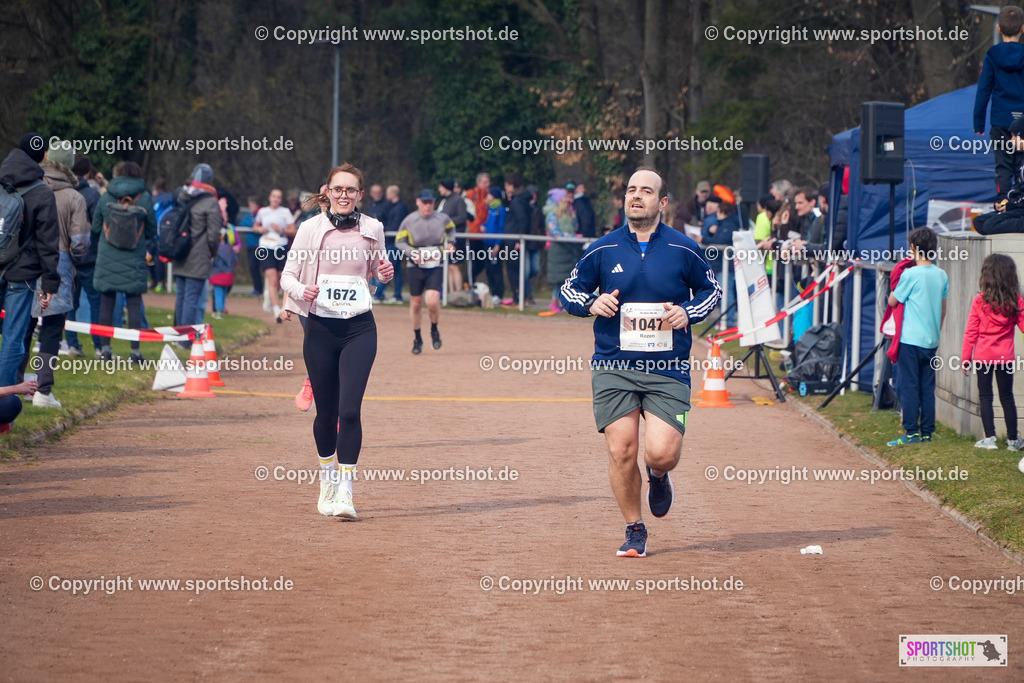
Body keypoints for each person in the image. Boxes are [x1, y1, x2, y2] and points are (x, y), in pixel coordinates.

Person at [559, 167, 722, 557]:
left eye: (646, 191)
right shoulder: (602, 248)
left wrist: (688, 312)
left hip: (668, 367)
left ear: (662, 202)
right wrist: (590, 303)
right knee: (621, 449)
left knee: (661, 452)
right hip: (614, 365)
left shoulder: (685, 249)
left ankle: (659, 475)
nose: (636, 196)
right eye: (631, 189)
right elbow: (568, 290)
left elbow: (712, 291)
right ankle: (634, 528)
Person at [280, 162, 393, 519]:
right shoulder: (310, 228)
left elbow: (378, 271)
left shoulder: (373, 227)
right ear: (327, 192)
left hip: (359, 328)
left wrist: (385, 273)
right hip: (320, 329)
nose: (344, 195)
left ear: (360, 195)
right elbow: (287, 276)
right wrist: (303, 290)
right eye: (338, 189)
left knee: (349, 411)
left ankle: (346, 490)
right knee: (326, 413)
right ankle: (327, 480)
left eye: (351, 190)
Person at [19, 142, 89, 407]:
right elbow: (80, 241)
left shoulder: (29, 187)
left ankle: (16, 384)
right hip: (59, 264)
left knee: (23, 326)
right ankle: (43, 391)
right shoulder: (74, 197)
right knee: (51, 329)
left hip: (26, 262)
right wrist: (76, 259)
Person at [0, 133, 60, 386]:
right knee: (14, 339)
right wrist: (49, 285)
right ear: (42, 157)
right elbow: (48, 243)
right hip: (22, 275)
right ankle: (3, 401)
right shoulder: (42, 193)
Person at [886, 227, 948, 446]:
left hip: (909, 340)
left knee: (909, 386)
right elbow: (943, 308)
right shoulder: (941, 275)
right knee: (927, 388)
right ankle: (927, 433)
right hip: (931, 339)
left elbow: (893, 301)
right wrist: (936, 331)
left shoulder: (909, 274)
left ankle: (911, 432)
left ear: (912, 247)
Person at [90, 161, 157, 363]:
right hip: (134, 257)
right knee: (134, 303)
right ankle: (135, 353)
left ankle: (105, 350)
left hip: (107, 256)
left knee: (106, 303)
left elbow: (94, 227)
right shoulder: (144, 197)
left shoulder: (106, 196)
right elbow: (152, 229)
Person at [960, 254, 1024, 451]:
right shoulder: (1017, 301)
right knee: (1007, 396)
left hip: (982, 357)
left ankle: (989, 438)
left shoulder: (979, 301)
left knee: (985, 396)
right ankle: (1013, 440)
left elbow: (971, 332)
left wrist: (965, 359)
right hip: (1005, 357)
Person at [974, 5, 1024, 201]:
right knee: (1021, 163)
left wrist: (978, 122)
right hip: (1022, 122)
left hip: (1001, 120)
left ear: (998, 29)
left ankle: (1003, 200)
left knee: (1003, 165)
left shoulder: (992, 56)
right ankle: (1020, 201)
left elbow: (983, 90)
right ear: (1022, 29)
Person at [396, 189, 454, 354]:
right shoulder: (409, 221)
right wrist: (412, 252)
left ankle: (434, 330)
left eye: (431, 203)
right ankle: (417, 338)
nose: (428, 206)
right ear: (418, 202)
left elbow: (451, 230)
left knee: (433, 300)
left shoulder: (442, 218)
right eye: (425, 202)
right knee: (416, 303)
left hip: (436, 263)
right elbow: (400, 241)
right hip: (416, 265)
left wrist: (450, 243)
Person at [171, 164, 221, 341]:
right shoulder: (210, 202)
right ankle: (185, 340)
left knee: (182, 297)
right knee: (191, 298)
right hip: (198, 256)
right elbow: (214, 235)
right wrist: (212, 253)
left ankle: (178, 336)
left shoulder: (182, 196)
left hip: (180, 253)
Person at [64, 154, 102, 358]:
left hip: (67, 254)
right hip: (89, 255)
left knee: (70, 302)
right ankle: (99, 346)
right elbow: (97, 227)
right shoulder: (93, 196)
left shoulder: (64, 192)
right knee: (95, 301)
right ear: (88, 172)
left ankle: (72, 344)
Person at [975, 117, 1024, 235]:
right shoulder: (1022, 160)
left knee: (991, 225)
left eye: (1014, 136)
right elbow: (1019, 189)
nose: (1011, 140)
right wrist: (1006, 202)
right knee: (979, 222)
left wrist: (1011, 205)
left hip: (1020, 208)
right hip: (1019, 207)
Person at [253, 188, 295, 321]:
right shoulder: (263, 211)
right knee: (272, 279)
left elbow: (293, 230)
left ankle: (271, 299)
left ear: (280, 199)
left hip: (280, 246)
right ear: (270, 197)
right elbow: (255, 226)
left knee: (280, 279)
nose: (276, 199)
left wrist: (281, 229)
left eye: (278, 197)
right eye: (274, 196)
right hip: (265, 246)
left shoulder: (285, 212)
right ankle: (277, 311)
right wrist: (260, 229)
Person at [543, 188, 580, 314]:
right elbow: (554, 232)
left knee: (566, 279)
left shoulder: (569, 212)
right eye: (564, 197)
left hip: (569, 250)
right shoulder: (552, 214)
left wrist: (573, 216)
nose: (567, 199)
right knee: (560, 279)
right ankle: (555, 301)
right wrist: (568, 237)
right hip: (558, 251)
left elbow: (575, 227)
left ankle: (561, 301)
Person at [503, 173, 532, 305]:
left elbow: (522, 220)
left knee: (514, 270)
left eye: (507, 185)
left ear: (512, 186)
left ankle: (519, 297)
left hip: (514, 241)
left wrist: (517, 240)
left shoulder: (517, 201)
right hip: (514, 239)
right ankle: (520, 296)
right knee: (516, 269)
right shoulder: (520, 199)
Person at [437, 178, 469, 294]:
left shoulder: (458, 200)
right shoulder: (446, 201)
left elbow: (462, 217)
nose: (439, 189)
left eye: (440, 186)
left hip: (457, 239)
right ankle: (451, 294)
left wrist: (446, 221)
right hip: (448, 238)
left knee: (454, 266)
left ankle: (459, 293)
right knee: (449, 266)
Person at [379, 184, 408, 303]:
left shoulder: (400, 208)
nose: (386, 195)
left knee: (389, 267)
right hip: (391, 242)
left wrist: (383, 230)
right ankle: (397, 295)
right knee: (397, 270)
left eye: (387, 193)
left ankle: (378, 293)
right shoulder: (394, 207)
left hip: (395, 243)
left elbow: (396, 225)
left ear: (393, 194)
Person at [465, 172, 491, 284]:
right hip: (472, 234)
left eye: (488, 182)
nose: (487, 184)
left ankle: (471, 283)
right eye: (484, 182)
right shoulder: (471, 194)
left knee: (483, 262)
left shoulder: (490, 196)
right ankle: (469, 284)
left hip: (485, 235)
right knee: (474, 262)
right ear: (478, 182)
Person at [483, 186, 507, 304]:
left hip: (495, 245)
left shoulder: (500, 209)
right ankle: (493, 293)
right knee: (489, 270)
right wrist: (484, 226)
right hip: (487, 243)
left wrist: (497, 244)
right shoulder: (490, 209)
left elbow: (501, 227)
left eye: (489, 195)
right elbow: (490, 224)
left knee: (496, 269)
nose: (487, 197)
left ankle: (499, 294)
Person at [209, 229, 239, 319]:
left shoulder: (215, 249)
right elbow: (236, 262)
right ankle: (222, 308)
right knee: (223, 294)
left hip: (217, 275)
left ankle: (219, 311)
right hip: (228, 275)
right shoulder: (230, 249)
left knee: (218, 293)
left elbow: (211, 262)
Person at [239, 196, 263, 296]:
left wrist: (255, 226)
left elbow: (259, 225)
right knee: (253, 268)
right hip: (250, 246)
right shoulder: (250, 215)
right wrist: (253, 226)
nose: (251, 207)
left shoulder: (261, 214)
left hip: (259, 246)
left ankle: (262, 289)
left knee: (263, 268)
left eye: (252, 205)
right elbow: (243, 222)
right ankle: (257, 289)